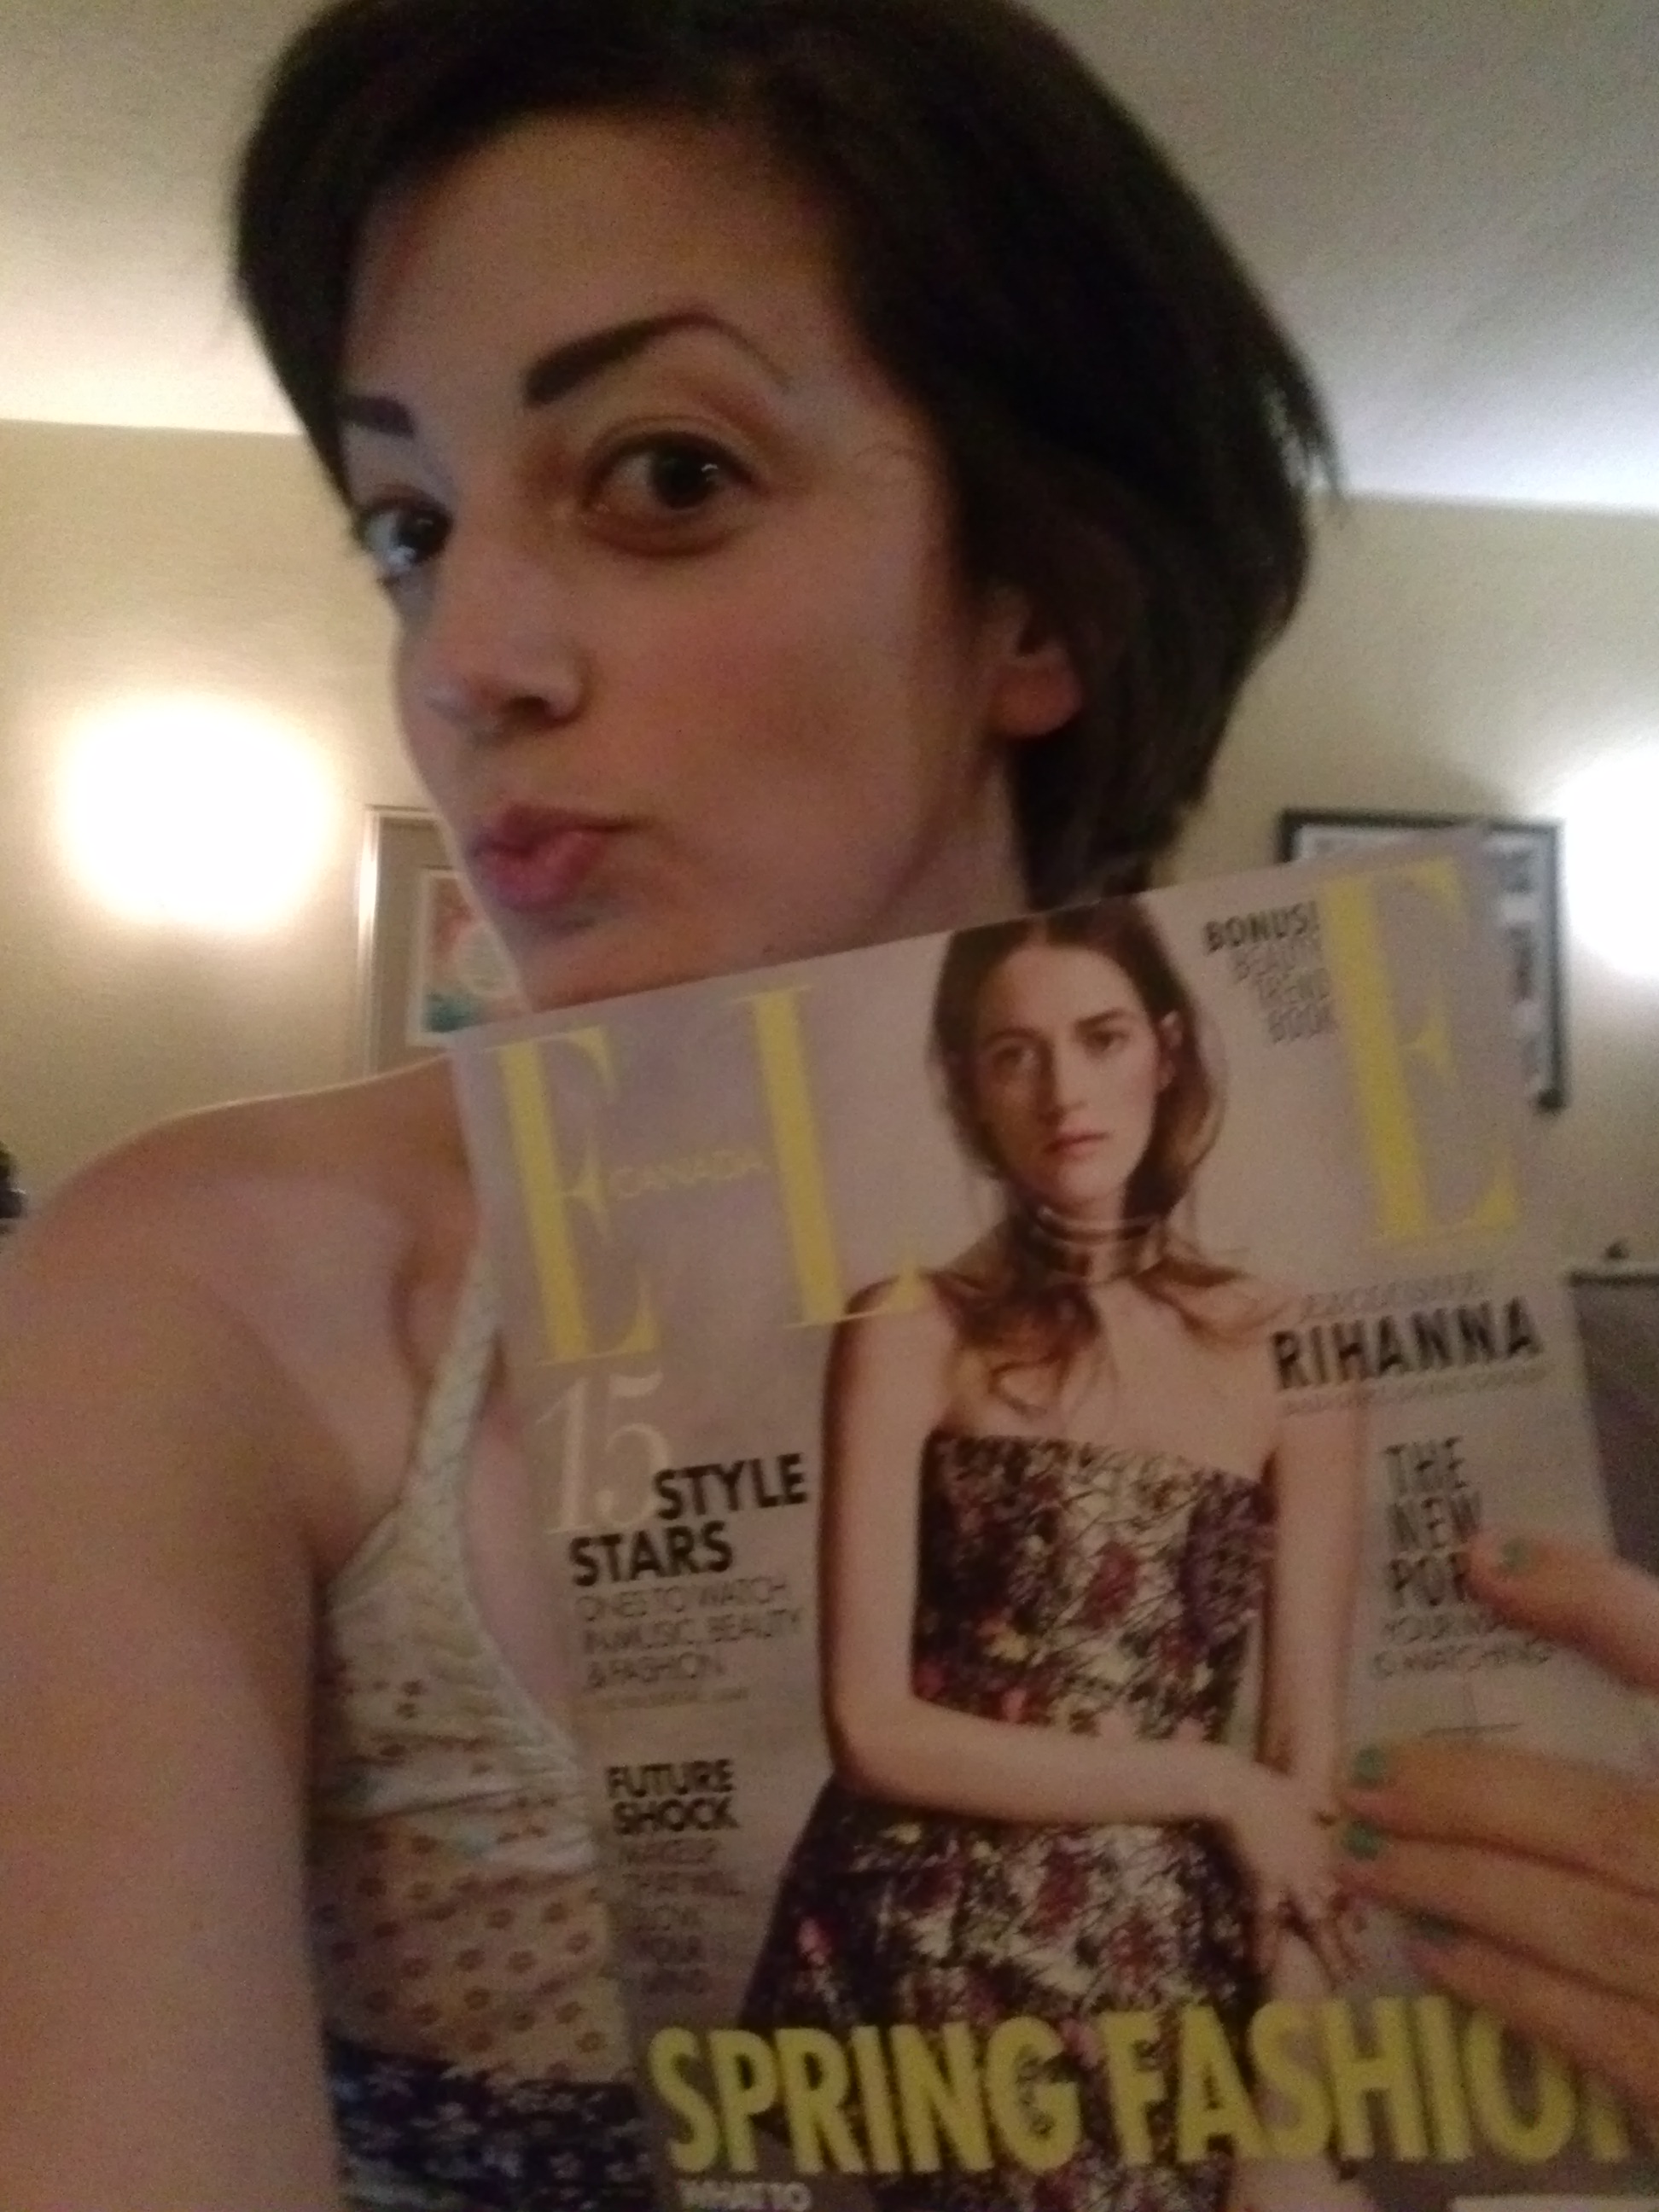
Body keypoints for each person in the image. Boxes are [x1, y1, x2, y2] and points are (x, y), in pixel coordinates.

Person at [0, 2, 1655, 2208]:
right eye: (408, 526)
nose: (467, 657)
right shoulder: (201, 1296)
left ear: (1038, 605)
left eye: (664, 478)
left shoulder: (1445, 1377)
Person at [742, 901, 1365, 2211]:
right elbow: (871, 1729)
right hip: (947, 1928)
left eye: (1101, 1038)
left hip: (1189, 1936)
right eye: (1013, 1054)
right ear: (969, 1088)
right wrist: (1212, 1778)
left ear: (1167, 1051)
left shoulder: (1293, 1346)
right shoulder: (911, 1325)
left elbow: (1303, 1757)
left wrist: (1290, 2112)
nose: (1063, 1092)